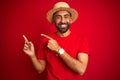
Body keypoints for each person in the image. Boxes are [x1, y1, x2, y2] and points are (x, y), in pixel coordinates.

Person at [23, 2, 89, 80]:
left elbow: (81, 69)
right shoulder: (45, 40)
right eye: (58, 17)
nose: (62, 21)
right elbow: (40, 69)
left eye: (66, 16)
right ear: (54, 21)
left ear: (70, 20)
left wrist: (58, 49)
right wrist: (32, 55)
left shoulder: (81, 40)